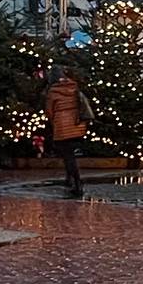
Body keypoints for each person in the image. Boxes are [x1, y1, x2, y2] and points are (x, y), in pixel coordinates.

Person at [43, 67, 88, 198]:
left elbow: (49, 111)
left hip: (62, 127)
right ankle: (71, 180)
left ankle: (77, 182)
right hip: (77, 125)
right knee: (70, 154)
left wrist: (54, 122)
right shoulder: (74, 87)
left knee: (68, 156)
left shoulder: (53, 91)